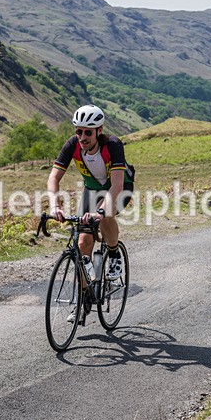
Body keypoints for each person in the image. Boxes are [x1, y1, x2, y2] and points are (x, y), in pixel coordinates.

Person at [48, 105, 134, 287]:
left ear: (99, 130)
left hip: (119, 187)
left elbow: (117, 185)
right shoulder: (72, 144)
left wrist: (100, 211)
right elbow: (53, 177)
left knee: (104, 217)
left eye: (88, 132)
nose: (82, 137)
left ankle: (114, 253)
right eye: (79, 132)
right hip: (93, 189)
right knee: (83, 242)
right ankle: (83, 299)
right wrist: (55, 206)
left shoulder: (113, 145)